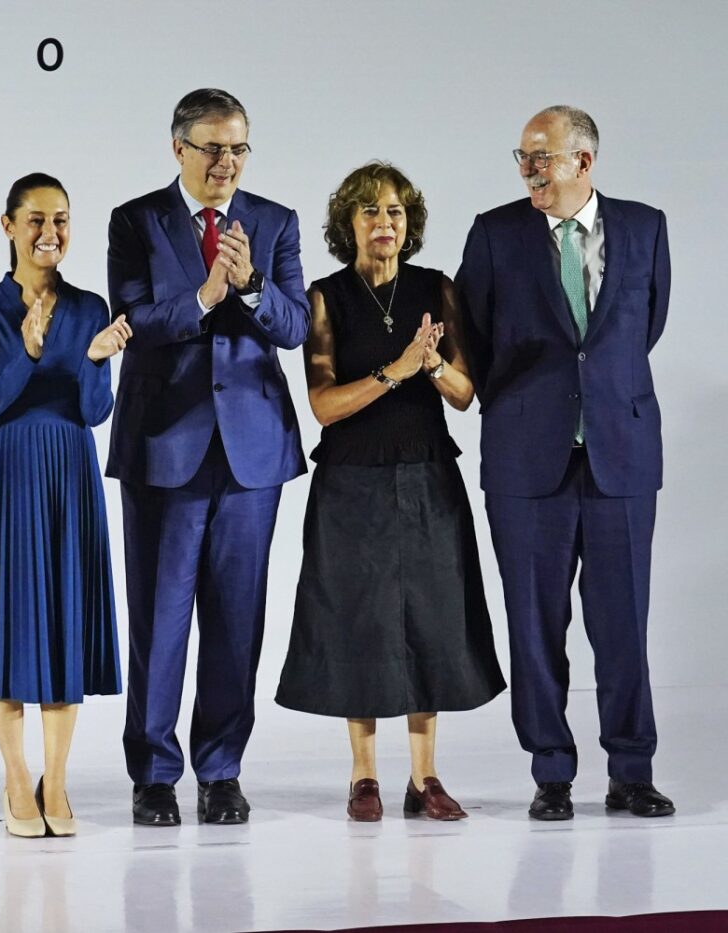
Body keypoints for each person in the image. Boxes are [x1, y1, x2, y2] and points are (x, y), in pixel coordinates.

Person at [457, 106, 674, 820]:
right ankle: (552, 772)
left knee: (623, 623)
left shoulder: (645, 227)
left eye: (540, 158)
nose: (528, 172)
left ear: (584, 162)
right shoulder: (495, 234)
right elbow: (472, 339)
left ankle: (631, 770)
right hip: (527, 463)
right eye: (521, 158)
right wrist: (524, 408)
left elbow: (644, 328)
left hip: (621, 455)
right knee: (534, 623)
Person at [273, 163, 506, 821]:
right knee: (360, 622)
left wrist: (430, 364)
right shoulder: (325, 297)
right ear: (348, 223)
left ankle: (425, 776)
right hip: (350, 481)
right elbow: (322, 404)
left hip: (427, 473)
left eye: (396, 212)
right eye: (371, 211)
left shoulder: (437, 289)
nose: (385, 223)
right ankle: (364, 775)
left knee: (430, 619)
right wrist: (394, 369)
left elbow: (464, 394)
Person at [106, 88, 310, 826]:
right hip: (166, 446)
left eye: (238, 148)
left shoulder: (275, 222)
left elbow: (295, 324)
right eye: (212, 147)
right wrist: (203, 294)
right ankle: (154, 772)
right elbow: (132, 318)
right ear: (178, 149)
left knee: (236, 618)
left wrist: (250, 285)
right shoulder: (135, 221)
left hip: (251, 450)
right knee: (158, 619)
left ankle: (220, 770)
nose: (227, 162)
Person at [0, 173, 131, 837]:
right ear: (8, 226)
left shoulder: (89, 306)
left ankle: (58, 778)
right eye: (35, 219)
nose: (49, 232)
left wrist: (94, 357)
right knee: (5, 618)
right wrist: (26, 352)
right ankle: (16, 776)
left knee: (62, 617)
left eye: (61, 218)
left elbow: (93, 410)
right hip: (5, 472)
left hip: (67, 472)